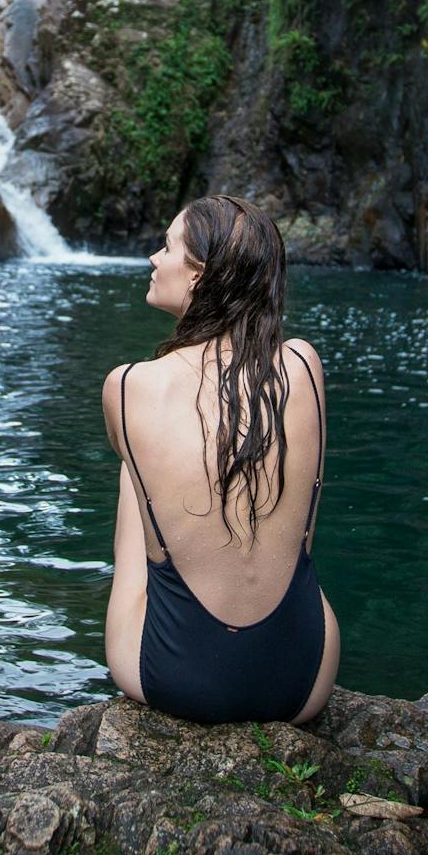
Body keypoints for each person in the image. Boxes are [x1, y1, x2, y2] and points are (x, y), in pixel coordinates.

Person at [100, 194, 341, 724]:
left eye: (166, 248)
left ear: (198, 277)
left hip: (177, 677)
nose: (153, 259)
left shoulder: (128, 387)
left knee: (135, 460)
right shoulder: (303, 364)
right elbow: (302, 535)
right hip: (303, 681)